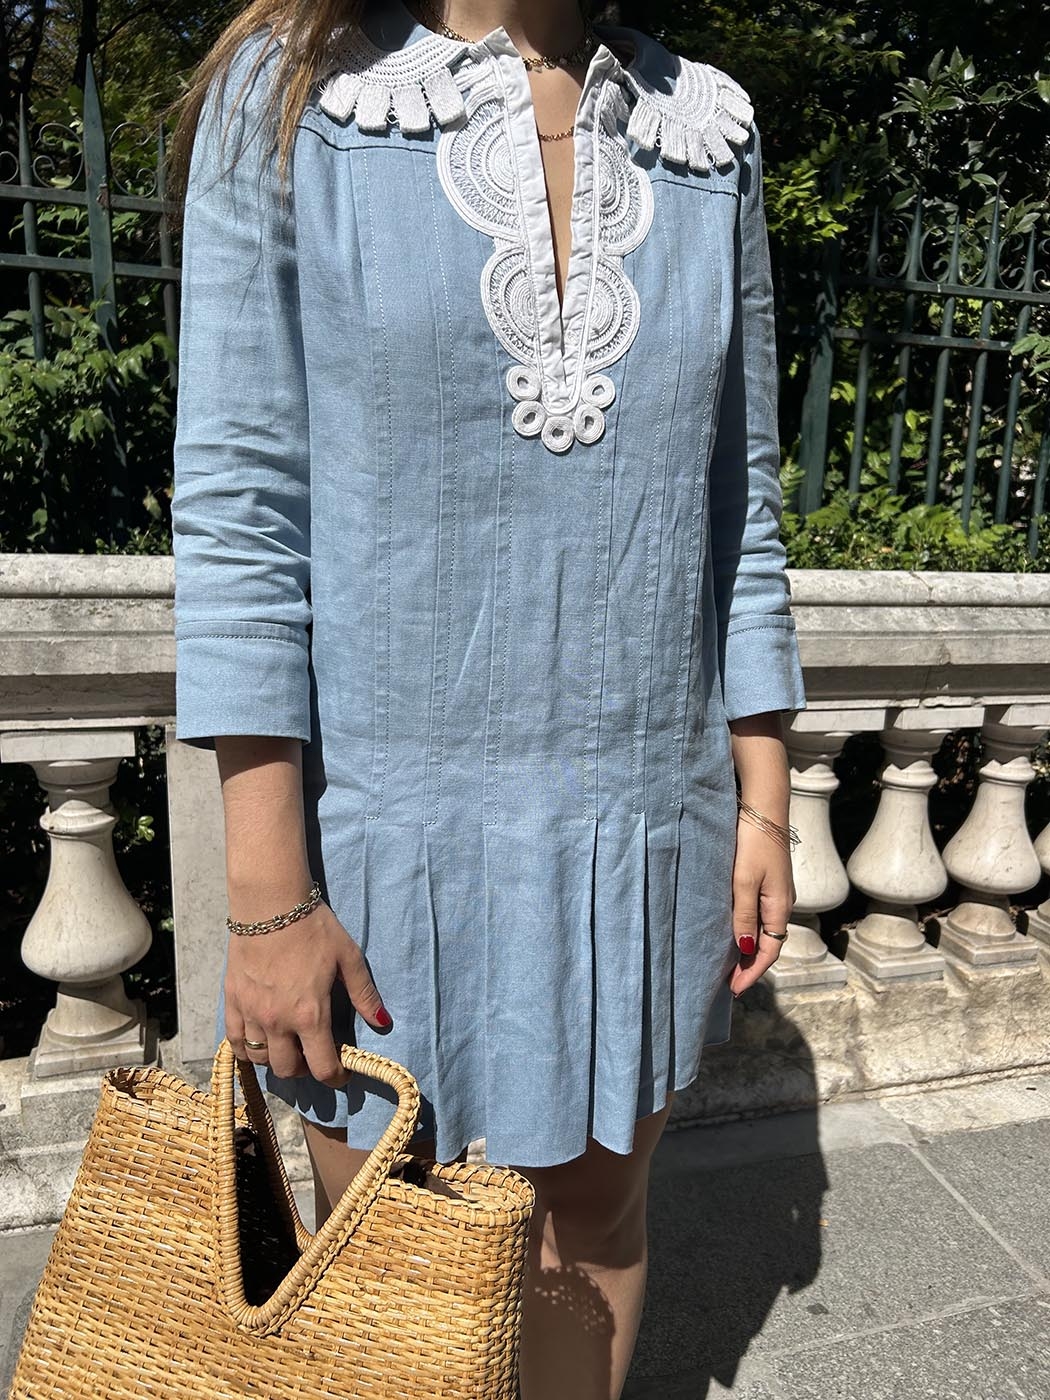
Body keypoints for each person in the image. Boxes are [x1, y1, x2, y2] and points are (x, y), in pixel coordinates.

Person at [167, 0, 807, 1394]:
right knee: (395, 1260)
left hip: (643, 828)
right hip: (383, 855)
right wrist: (265, 900)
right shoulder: (294, 98)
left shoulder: (705, 129)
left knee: (596, 1224)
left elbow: (738, 502)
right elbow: (240, 514)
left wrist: (763, 797)